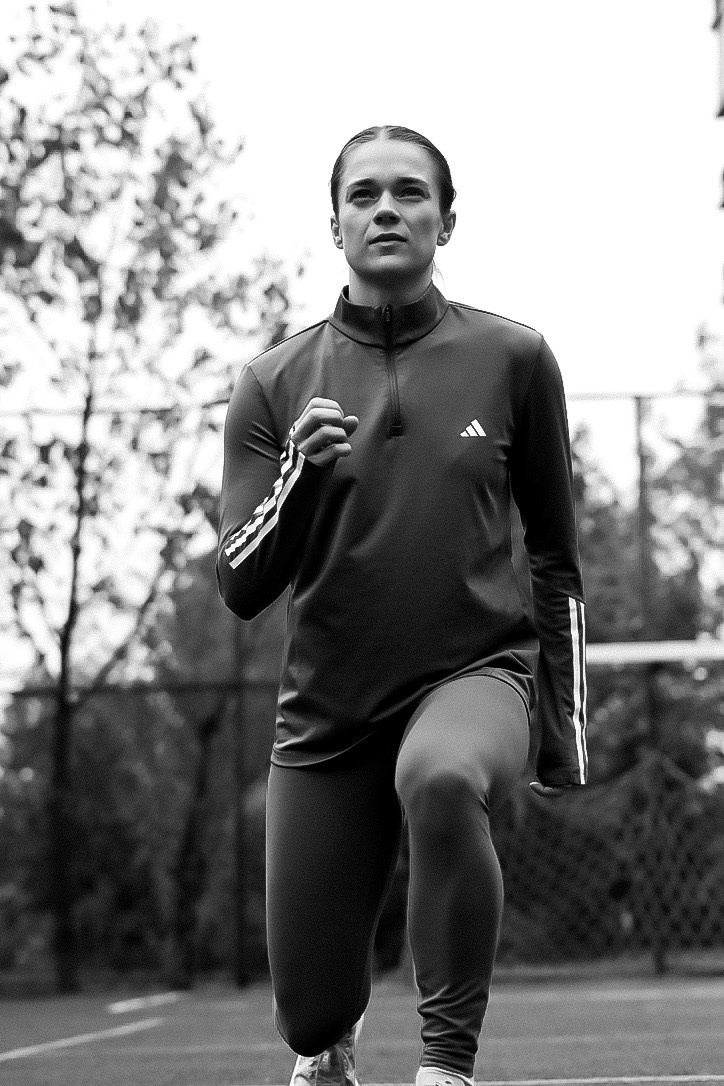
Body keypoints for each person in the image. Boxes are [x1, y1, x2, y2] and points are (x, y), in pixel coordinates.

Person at [216, 125, 588, 1086]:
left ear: (447, 220)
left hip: (479, 678)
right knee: (309, 1012)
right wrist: (298, 477)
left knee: (440, 776)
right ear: (334, 223)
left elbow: (554, 554)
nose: (388, 209)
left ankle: (444, 1066)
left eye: (411, 193)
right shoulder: (272, 383)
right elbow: (240, 583)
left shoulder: (513, 359)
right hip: (330, 715)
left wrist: (562, 732)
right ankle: (333, 1042)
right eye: (365, 195)